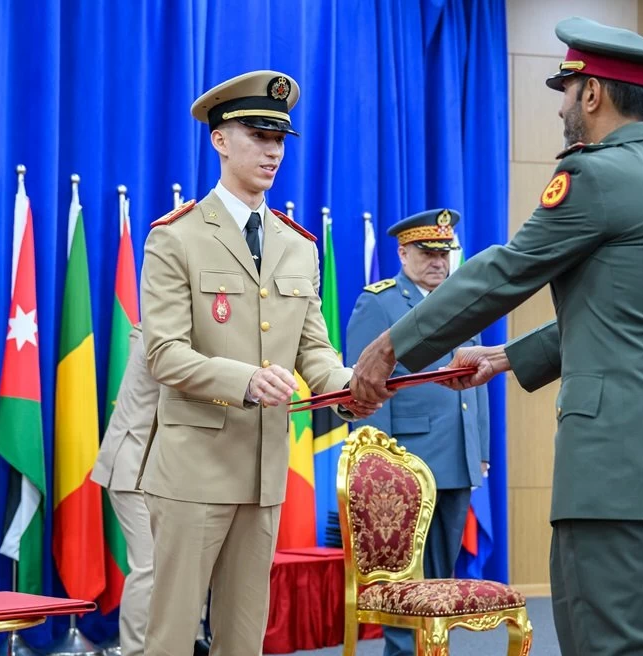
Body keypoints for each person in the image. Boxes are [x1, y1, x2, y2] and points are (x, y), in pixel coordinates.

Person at [349, 17, 643, 656]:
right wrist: (506, 357)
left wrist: (390, 347)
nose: (562, 106)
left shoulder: (597, 177)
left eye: (566, 90)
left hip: (622, 479)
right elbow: (627, 322)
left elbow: (501, 274)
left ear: (592, 94)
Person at [137, 70, 376, 656]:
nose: (273, 152)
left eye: (279, 140)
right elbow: (164, 353)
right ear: (219, 140)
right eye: (258, 136)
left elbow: (314, 351)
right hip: (194, 471)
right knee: (170, 636)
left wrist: (352, 386)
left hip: (263, 473)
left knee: (245, 639)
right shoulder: (177, 238)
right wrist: (246, 380)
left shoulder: (298, 245)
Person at [346, 208, 490, 656]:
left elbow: (476, 378)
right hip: (405, 462)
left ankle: (433, 649)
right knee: (405, 575)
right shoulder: (381, 302)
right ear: (402, 251)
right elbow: (365, 387)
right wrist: (379, 462)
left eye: (444, 252)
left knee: (442, 575)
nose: (438, 262)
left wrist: (479, 447)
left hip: (457, 458)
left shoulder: (462, 300)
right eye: (427, 252)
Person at [91, 323, 211, 656]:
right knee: (150, 568)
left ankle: (188, 641)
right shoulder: (163, 331)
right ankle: (134, 651)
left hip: (170, 472)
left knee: (186, 564)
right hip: (134, 466)